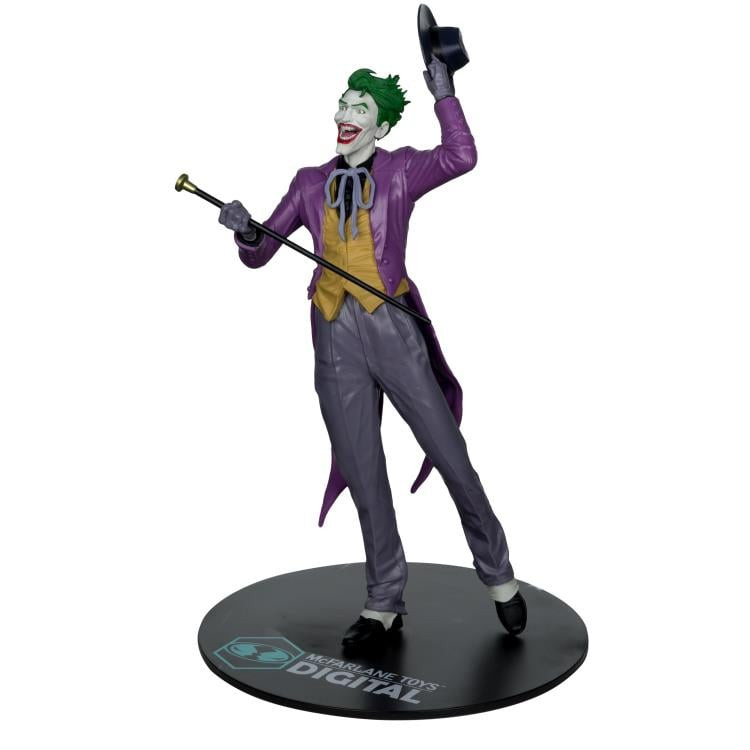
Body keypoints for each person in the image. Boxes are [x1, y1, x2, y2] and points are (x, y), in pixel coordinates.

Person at [219, 58, 527, 646]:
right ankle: (384, 599)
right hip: (332, 331)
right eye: (343, 103)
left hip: (392, 326)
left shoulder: (402, 168)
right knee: (362, 467)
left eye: (359, 107)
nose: (345, 113)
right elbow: (261, 252)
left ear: (380, 126)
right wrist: (246, 229)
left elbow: (461, 157)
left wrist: (445, 94)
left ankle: (498, 574)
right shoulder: (308, 182)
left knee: (449, 452)